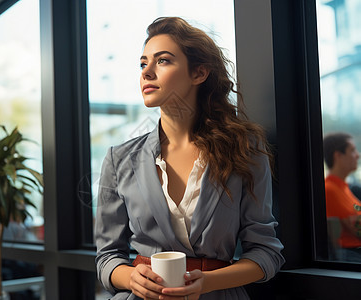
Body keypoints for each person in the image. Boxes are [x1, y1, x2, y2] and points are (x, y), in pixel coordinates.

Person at [95, 17, 285, 300]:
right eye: (142, 63)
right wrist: (131, 278)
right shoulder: (119, 159)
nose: (146, 72)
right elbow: (107, 257)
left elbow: (266, 253)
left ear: (199, 73)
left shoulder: (244, 149)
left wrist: (205, 283)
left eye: (163, 61)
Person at [323, 132, 361, 261]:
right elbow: (357, 229)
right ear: (338, 156)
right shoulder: (330, 190)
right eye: (352, 150)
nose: (358, 155)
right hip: (352, 256)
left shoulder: (343, 187)